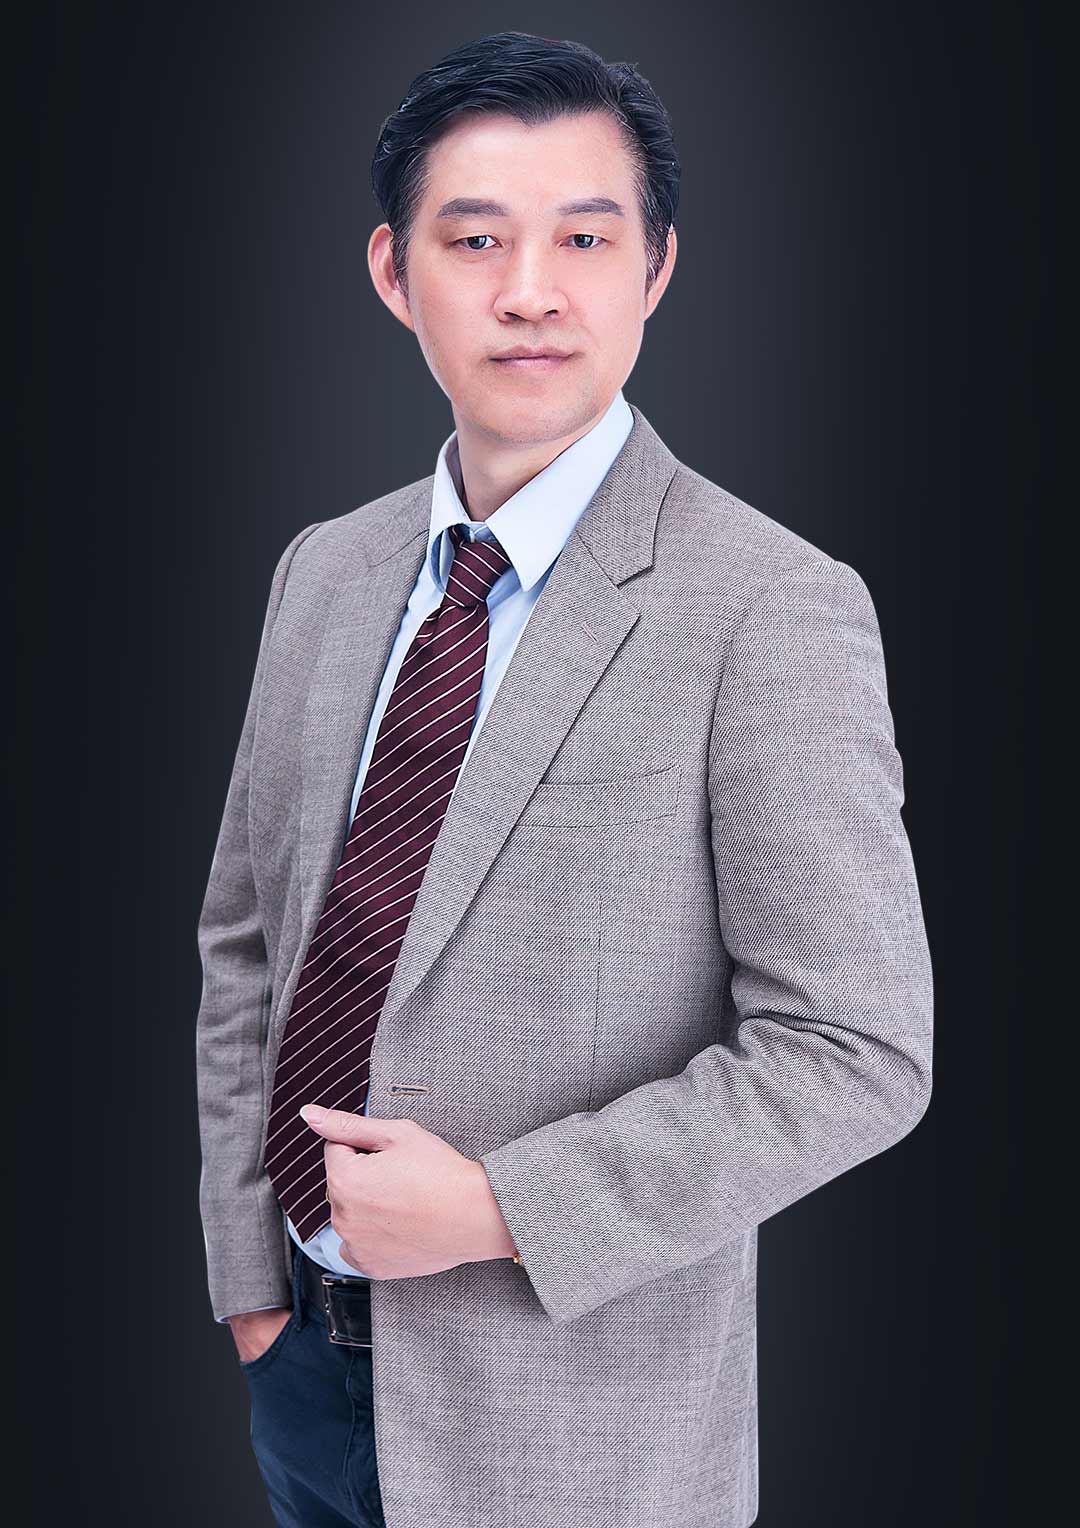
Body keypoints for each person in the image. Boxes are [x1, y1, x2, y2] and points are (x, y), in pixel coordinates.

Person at [195, 29, 933, 1528]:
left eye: (584, 239)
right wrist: (248, 1286)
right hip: (305, 1381)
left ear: (655, 270)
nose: (530, 291)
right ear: (394, 274)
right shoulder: (324, 572)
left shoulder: (769, 605)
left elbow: (856, 1050)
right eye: (475, 240)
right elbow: (248, 945)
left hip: (580, 1429)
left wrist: (495, 1208)